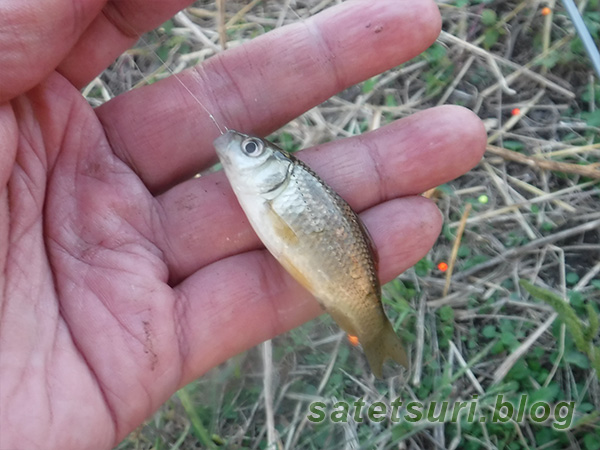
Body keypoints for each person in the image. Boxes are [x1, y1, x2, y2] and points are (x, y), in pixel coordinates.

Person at [0, 0, 486, 448]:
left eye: (253, 149)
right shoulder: (264, 189)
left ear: (275, 168)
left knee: (350, 288)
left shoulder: (282, 190)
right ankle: (373, 329)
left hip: (335, 264)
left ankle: (374, 329)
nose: (240, 146)